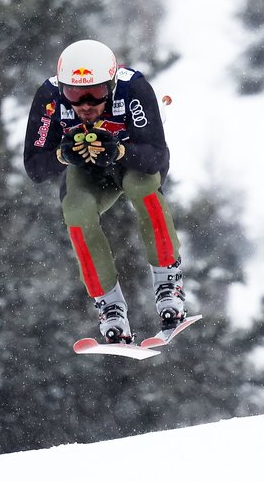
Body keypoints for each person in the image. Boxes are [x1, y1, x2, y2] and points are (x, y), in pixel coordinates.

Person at [23, 39, 186, 344]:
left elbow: (157, 158)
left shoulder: (132, 88)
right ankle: (109, 306)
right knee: (76, 209)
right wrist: (62, 155)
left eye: (95, 94)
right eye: (73, 94)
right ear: (61, 90)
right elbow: (34, 167)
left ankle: (168, 283)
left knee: (142, 186)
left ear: (111, 85)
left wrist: (121, 150)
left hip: (132, 165)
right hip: (88, 172)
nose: (85, 105)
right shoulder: (49, 98)